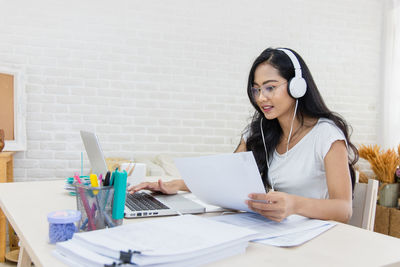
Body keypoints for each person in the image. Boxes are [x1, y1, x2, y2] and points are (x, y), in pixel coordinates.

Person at [128, 47, 358, 223]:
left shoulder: (326, 136)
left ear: (297, 86)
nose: (261, 98)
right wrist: (174, 185)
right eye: (256, 89)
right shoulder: (259, 132)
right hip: (276, 232)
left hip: (315, 239)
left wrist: (294, 204)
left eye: (270, 87)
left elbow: (344, 209)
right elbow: (225, 179)